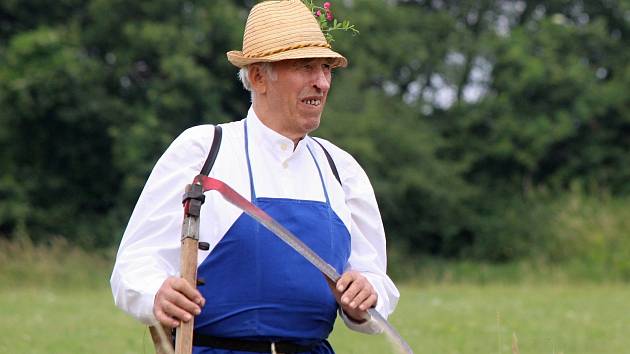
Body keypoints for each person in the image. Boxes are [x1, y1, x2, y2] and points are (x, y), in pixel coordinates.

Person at [110, 0, 399, 353]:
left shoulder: (341, 169)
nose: (322, 82)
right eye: (306, 67)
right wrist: (157, 292)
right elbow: (134, 264)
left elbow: (376, 283)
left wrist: (365, 296)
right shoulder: (203, 150)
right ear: (260, 76)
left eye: (326, 68)